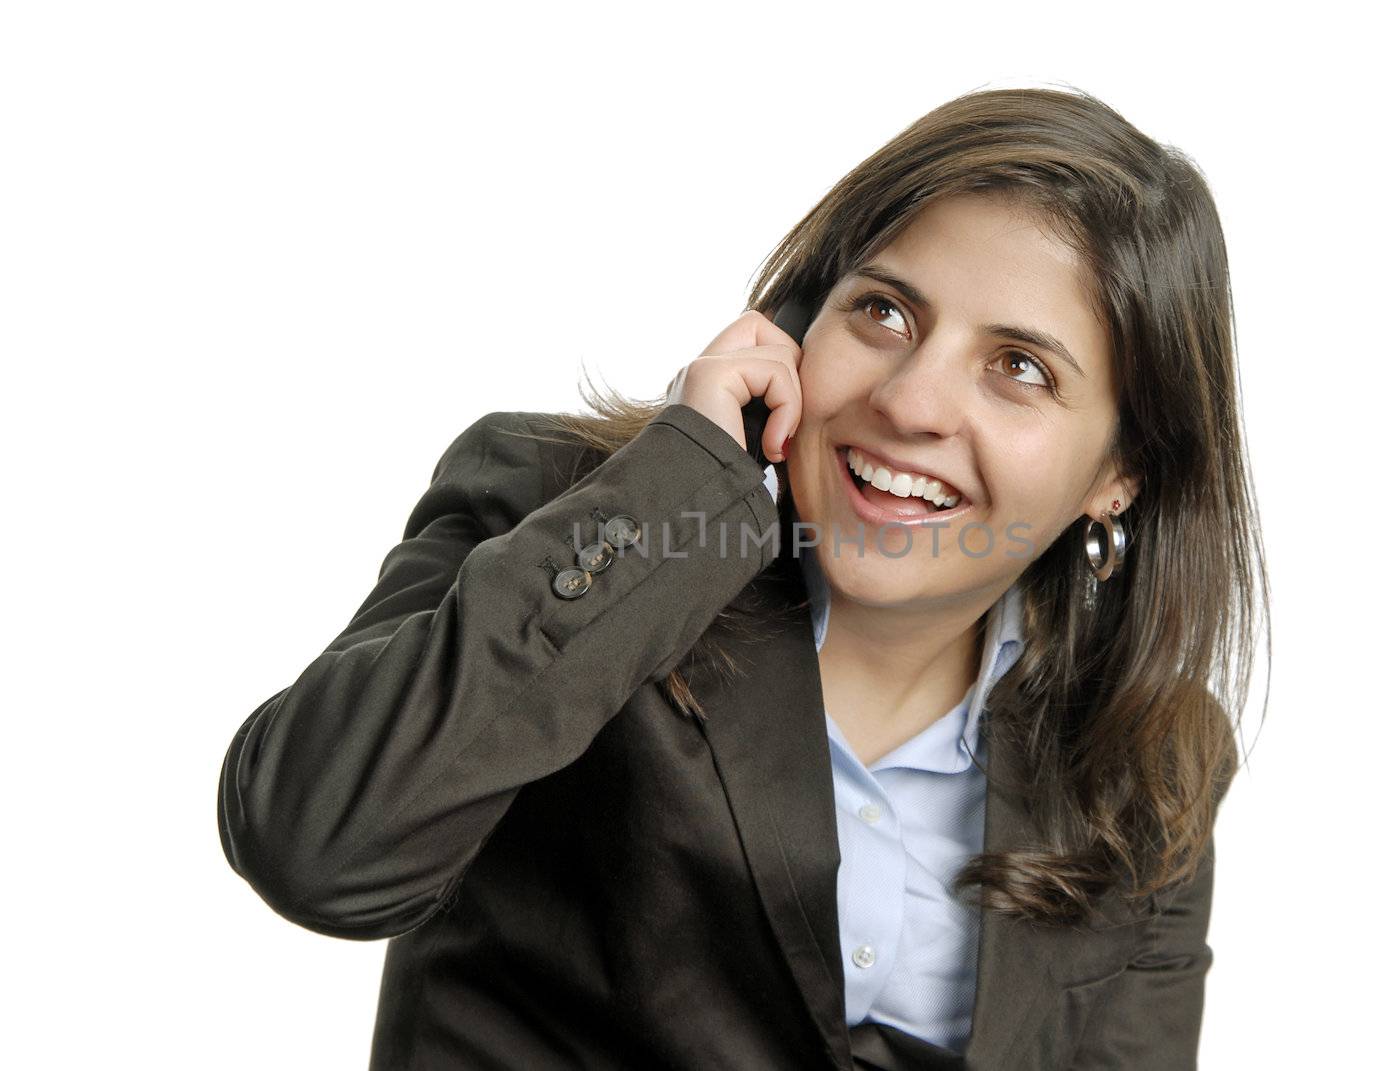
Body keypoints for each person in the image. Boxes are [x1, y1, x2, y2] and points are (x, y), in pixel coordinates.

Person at [217, 84, 1267, 1070]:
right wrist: (680, 486)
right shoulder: (562, 519)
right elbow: (315, 847)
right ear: (796, 320)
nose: (910, 402)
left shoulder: (1147, 768)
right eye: (886, 313)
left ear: (1121, 475)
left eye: (1020, 368)